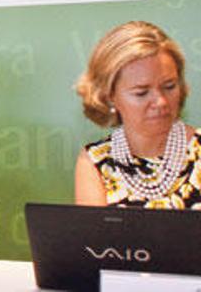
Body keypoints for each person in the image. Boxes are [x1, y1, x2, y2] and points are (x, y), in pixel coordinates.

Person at [74, 21, 199, 208]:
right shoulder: (94, 160)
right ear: (109, 97)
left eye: (169, 86)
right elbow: (91, 237)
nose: (161, 102)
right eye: (141, 93)